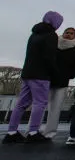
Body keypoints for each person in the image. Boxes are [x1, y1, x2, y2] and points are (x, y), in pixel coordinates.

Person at [4, 11, 62, 144]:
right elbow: (49, 57)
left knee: (21, 104)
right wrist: (55, 73)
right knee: (39, 103)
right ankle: (33, 132)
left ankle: (11, 132)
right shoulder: (51, 35)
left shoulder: (34, 34)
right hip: (41, 75)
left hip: (27, 73)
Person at [42, 27, 75, 139]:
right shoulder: (54, 44)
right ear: (63, 33)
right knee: (41, 105)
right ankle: (34, 129)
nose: (69, 34)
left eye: (71, 33)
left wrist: (71, 75)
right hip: (48, 78)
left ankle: (49, 131)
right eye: (67, 32)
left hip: (62, 79)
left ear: (74, 35)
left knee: (56, 107)